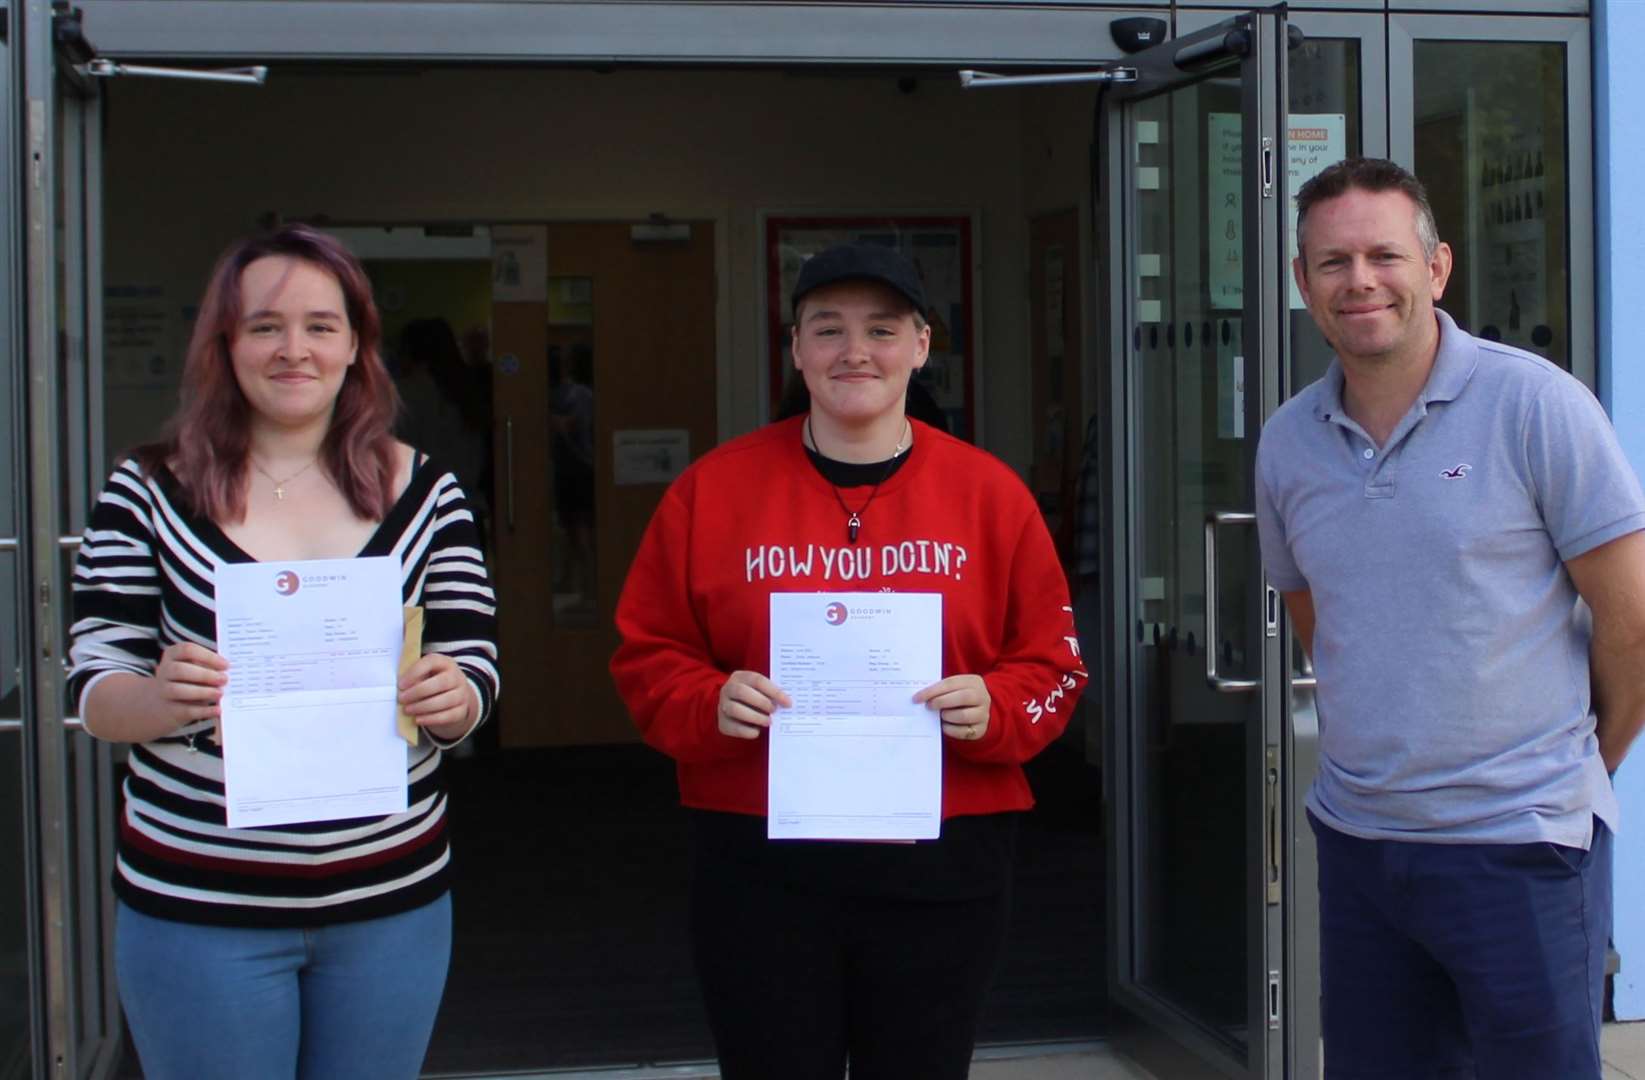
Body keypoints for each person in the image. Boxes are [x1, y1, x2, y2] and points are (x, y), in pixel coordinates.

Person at [610, 242, 1087, 1079]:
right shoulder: (712, 491)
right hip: (761, 857)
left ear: (921, 346)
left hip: (943, 858)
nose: (853, 352)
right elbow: (648, 652)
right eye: (826, 329)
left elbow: (1052, 666)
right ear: (795, 349)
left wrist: (996, 707)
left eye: (881, 328)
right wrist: (706, 702)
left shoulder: (989, 494)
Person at [67, 224, 500, 1080]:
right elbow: (93, 683)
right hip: (199, 905)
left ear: (355, 347)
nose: (292, 348)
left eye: (319, 325)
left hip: (390, 901)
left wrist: (456, 698)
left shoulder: (427, 491)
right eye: (264, 325)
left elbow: (475, 661)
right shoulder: (147, 489)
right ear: (224, 345)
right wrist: (159, 698)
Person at [1255, 157, 1645, 1078]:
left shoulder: (1535, 406)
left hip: (1518, 848)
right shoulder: (1286, 441)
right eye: (1330, 262)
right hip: (1359, 846)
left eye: (1383, 256)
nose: (1358, 281)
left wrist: (1578, 764)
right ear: (1302, 283)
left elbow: (1632, 628)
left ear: (1435, 268)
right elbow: (1326, 624)